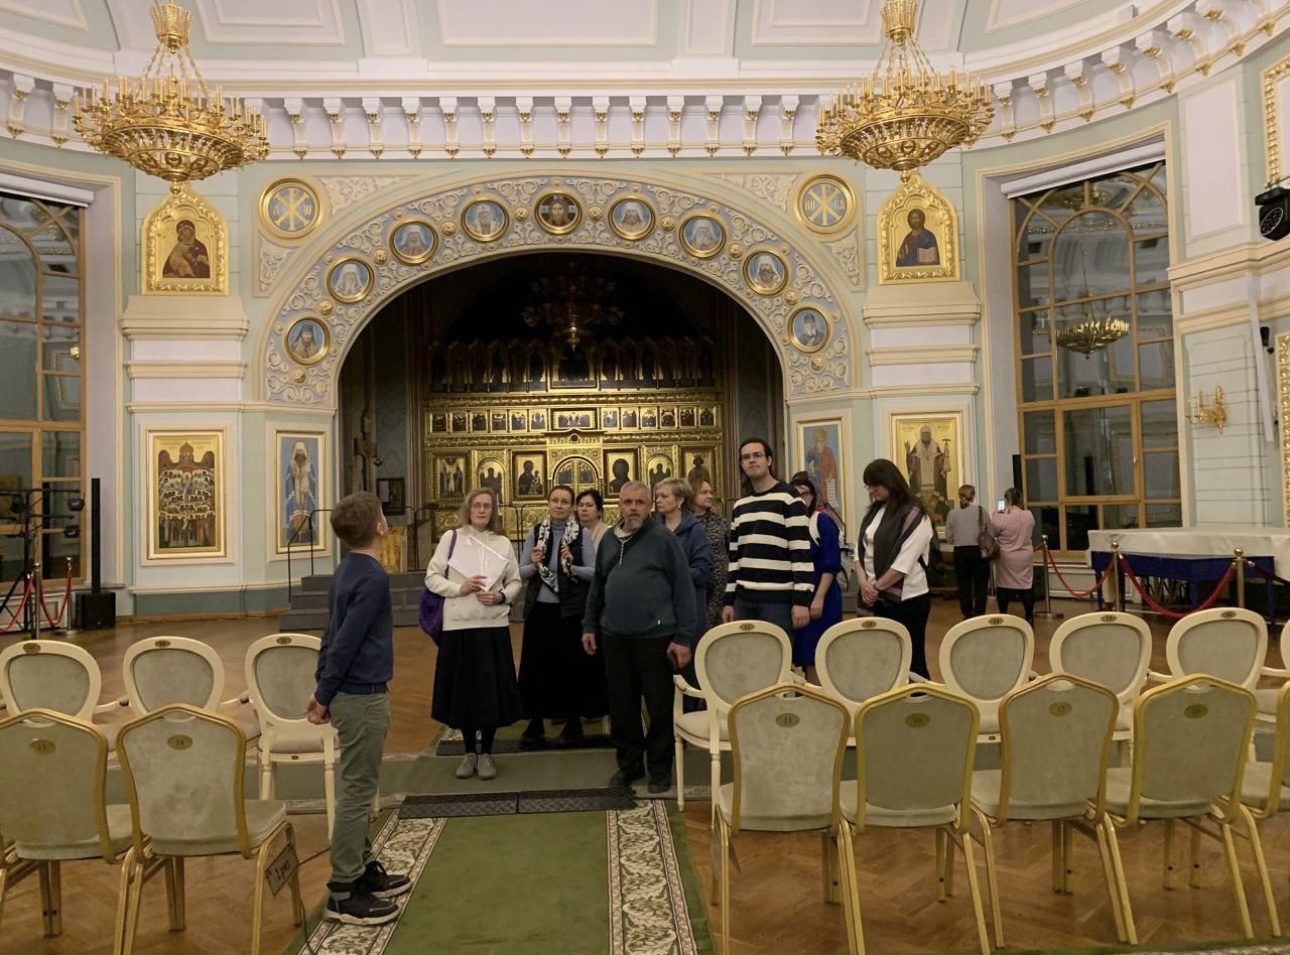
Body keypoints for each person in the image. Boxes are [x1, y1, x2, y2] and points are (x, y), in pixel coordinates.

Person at [307, 492, 410, 926]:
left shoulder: (346, 570)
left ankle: (363, 868)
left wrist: (323, 688)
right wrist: (325, 692)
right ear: (380, 528)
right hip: (362, 694)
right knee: (357, 792)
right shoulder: (373, 577)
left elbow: (331, 634)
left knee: (360, 785)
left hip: (347, 691)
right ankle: (344, 890)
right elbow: (346, 641)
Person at [582, 481, 697, 794]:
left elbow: (683, 589)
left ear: (649, 506)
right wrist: (590, 625)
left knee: (658, 706)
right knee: (622, 706)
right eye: (627, 502)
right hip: (614, 636)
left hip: (655, 637)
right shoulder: (608, 539)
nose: (633, 508)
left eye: (640, 502)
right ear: (619, 505)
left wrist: (684, 637)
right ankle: (630, 764)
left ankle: (660, 768)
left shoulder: (663, 539)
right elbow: (598, 586)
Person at [425, 488, 523, 782]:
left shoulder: (502, 543)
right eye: (477, 505)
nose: (481, 510)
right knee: (464, 691)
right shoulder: (451, 538)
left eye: (487, 506)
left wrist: (501, 596)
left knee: (489, 693)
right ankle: (469, 752)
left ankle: (486, 753)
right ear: (468, 509)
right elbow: (431, 578)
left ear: (493, 511)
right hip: (459, 626)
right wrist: (460, 588)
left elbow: (515, 581)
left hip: (492, 625)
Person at [518, 485, 607, 745]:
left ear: (571, 507)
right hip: (540, 611)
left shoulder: (581, 534)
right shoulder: (536, 532)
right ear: (548, 503)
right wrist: (534, 565)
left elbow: (595, 572)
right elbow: (519, 572)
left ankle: (572, 722)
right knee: (537, 667)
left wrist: (573, 566)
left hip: (570, 612)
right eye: (555, 500)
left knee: (571, 668)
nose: (559, 505)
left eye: (564, 501)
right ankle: (535, 723)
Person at [722, 438, 813, 633]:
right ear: (741, 464)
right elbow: (734, 558)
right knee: (746, 653)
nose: (751, 460)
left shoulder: (789, 498)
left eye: (757, 455)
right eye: (746, 457)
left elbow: (801, 553)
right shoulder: (740, 506)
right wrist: (729, 600)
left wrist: (802, 600)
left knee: (778, 653)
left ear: (769, 460)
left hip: (777, 601)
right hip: (743, 600)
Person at [854, 459, 935, 678]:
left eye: (875, 485)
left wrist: (874, 588)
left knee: (912, 661)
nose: (871, 490)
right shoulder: (874, 512)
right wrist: (863, 583)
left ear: (889, 481)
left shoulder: (915, 514)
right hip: (876, 597)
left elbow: (903, 563)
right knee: (884, 660)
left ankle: (920, 699)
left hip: (908, 599)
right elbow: (859, 550)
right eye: (868, 486)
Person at [789, 472, 842, 684]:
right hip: (798, 598)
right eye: (796, 495)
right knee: (799, 652)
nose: (801, 499)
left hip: (822, 596)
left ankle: (819, 696)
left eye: (805, 494)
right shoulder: (790, 524)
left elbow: (831, 563)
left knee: (817, 653)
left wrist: (819, 597)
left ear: (812, 496)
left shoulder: (822, 521)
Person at [654, 477, 714, 650]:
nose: (658, 500)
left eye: (664, 496)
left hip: (687, 607)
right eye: (657, 496)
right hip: (658, 609)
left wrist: (675, 571)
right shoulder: (652, 530)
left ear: (679, 500)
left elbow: (704, 572)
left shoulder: (695, 530)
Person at [689, 473, 729, 633]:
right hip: (696, 587)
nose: (710, 496)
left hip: (720, 588)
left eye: (711, 492)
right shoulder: (685, 523)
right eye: (704, 492)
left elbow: (731, 549)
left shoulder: (720, 521)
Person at [945, 484, 991, 620]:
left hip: (960, 551)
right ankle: (979, 612)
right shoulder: (981, 511)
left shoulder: (952, 513)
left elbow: (949, 537)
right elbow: (991, 531)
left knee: (963, 584)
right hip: (978, 550)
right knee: (981, 584)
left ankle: (967, 612)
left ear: (959, 496)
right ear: (973, 496)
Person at [992, 487, 1037, 624]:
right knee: (1026, 586)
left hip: (1006, 556)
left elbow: (993, 532)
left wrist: (997, 514)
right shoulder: (1028, 515)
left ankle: (1004, 614)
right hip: (1024, 555)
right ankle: (1029, 616)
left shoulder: (1001, 517)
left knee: (1004, 586)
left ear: (1006, 500)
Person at [905, 425, 948, 510]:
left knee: (935, 506)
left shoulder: (935, 446)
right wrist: (908, 453)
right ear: (921, 435)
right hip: (921, 483)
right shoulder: (917, 447)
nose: (926, 436)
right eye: (924, 434)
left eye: (927, 434)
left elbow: (941, 463)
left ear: (930, 434)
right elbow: (912, 466)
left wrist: (945, 454)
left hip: (934, 481)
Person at [284, 440, 318, 545]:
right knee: (294, 516)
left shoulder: (309, 466)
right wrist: (295, 475)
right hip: (295, 496)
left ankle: (307, 538)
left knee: (307, 515)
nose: (300, 455)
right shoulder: (291, 466)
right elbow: (288, 482)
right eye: (297, 451)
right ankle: (294, 538)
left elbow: (313, 482)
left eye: (301, 451)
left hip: (306, 498)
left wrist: (306, 475)